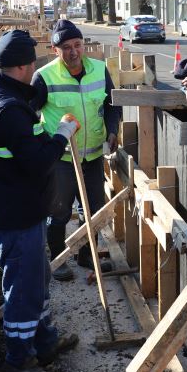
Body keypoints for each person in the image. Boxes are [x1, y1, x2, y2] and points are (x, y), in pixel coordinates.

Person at [0, 30, 80, 372]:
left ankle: (45, 341)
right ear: (21, 66)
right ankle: (20, 359)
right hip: (16, 214)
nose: (36, 68)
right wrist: (62, 134)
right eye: (32, 63)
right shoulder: (9, 110)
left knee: (38, 279)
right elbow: (39, 163)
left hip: (12, 205)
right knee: (23, 287)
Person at [31, 20, 122, 281]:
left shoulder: (99, 70)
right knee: (58, 211)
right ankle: (58, 259)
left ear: (84, 45)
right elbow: (29, 115)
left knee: (93, 212)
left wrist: (112, 129)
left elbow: (112, 105)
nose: (73, 52)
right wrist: (44, 143)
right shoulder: (45, 76)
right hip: (60, 158)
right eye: (66, 47)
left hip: (92, 156)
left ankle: (86, 256)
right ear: (55, 49)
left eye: (78, 45)